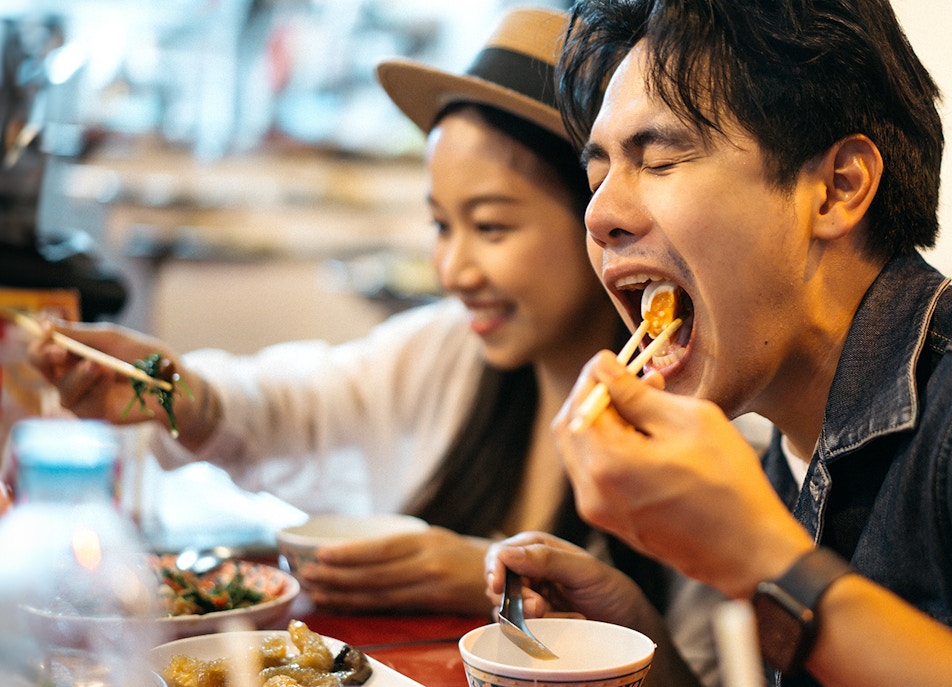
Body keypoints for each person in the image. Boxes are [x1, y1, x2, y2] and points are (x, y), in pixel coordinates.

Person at [485, 1, 952, 686]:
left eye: (660, 157)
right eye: (596, 172)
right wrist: (639, 642)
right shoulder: (789, 442)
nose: (600, 213)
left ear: (837, 188)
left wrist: (770, 564)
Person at [27, 8, 766, 662]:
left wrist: (472, 567)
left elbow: (712, 664)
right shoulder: (446, 351)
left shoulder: (703, 416)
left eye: (491, 226)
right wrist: (175, 391)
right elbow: (289, 402)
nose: (453, 267)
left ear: (601, 215)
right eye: (441, 226)